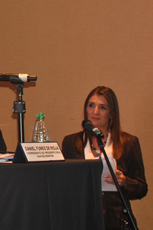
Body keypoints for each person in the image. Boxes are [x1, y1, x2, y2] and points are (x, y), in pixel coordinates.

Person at [62, 86, 147, 230]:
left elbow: (141, 188)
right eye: (91, 106)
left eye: (102, 107)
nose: (95, 112)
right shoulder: (71, 142)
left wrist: (124, 182)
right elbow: (63, 184)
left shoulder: (128, 142)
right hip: (82, 219)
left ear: (111, 113)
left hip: (116, 220)